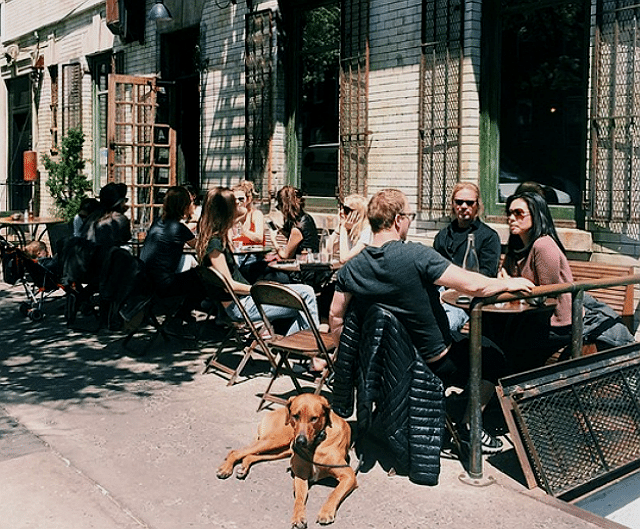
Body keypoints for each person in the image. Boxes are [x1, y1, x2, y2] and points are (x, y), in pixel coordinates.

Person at [329, 188, 534, 453]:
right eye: (409, 216)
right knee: (493, 355)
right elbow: (474, 285)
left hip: (379, 363)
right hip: (432, 359)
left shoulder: (352, 268)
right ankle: (470, 428)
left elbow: (335, 316)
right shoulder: (416, 256)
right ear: (398, 220)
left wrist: (351, 356)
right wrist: (512, 282)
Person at [499, 191, 635, 366]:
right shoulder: (516, 246)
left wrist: (512, 283)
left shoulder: (543, 245)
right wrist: (508, 282)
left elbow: (549, 296)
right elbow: (503, 279)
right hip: (531, 318)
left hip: (559, 323)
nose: (511, 218)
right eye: (509, 213)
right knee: (496, 339)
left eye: (518, 213)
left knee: (510, 350)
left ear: (536, 215)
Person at [197, 187, 320, 335]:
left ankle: (293, 345)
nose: (239, 204)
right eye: (234, 202)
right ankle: (309, 347)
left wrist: (240, 214)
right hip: (242, 305)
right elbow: (228, 285)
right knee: (306, 294)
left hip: (243, 301)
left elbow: (230, 223)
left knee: (304, 298)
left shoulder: (216, 235)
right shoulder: (215, 244)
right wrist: (259, 290)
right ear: (226, 210)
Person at [433, 183, 502, 331]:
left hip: (466, 299)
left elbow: (487, 275)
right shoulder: (443, 235)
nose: (464, 206)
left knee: (445, 326)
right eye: (459, 202)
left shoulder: (488, 237)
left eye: (469, 202)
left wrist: (451, 292)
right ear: (453, 204)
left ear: (477, 205)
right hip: (439, 294)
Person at [140, 186, 200, 303]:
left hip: (145, 280)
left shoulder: (157, 222)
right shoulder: (178, 228)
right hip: (164, 285)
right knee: (201, 275)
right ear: (184, 206)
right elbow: (200, 246)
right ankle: (182, 313)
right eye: (190, 203)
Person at [268, 186, 319, 259]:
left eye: (279, 207)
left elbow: (286, 255)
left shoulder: (297, 228)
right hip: (308, 263)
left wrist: (273, 241)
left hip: (303, 268)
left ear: (284, 207)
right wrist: (282, 231)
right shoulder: (306, 218)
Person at [82, 182, 131, 248]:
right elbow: (126, 238)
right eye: (125, 200)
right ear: (119, 203)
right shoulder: (119, 219)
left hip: (87, 255)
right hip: (107, 256)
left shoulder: (92, 217)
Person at [326, 194, 372, 263]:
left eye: (346, 210)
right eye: (341, 207)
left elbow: (344, 259)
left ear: (358, 214)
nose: (341, 212)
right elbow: (327, 251)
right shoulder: (350, 229)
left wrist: (343, 228)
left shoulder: (367, 232)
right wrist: (337, 231)